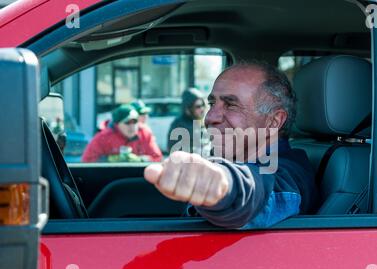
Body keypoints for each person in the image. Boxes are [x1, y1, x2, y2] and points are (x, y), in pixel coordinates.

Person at [144, 61, 318, 229]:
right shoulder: (229, 157)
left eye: (231, 105)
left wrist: (222, 184)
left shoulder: (292, 173)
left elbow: (259, 193)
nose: (210, 117)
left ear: (273, 122)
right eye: (212, 104)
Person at [82, 104, 163, 163]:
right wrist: (109, 159)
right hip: (111, 180)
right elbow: (87, 161)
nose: (132, 126)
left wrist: (141, 159)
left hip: (138, 178)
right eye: (127, 122)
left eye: (135, 121)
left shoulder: (145, 133)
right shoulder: (103, 137)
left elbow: (158, 158)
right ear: (117, 124)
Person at [167, 88, 211, 155]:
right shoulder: (179, 124)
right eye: (198, 106)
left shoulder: (204, 122)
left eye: (203, 105)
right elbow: (175, 151)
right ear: (188, 108)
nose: (202, 109)